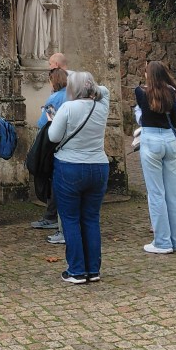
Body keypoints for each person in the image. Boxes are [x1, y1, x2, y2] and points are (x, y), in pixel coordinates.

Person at [48, 70, 110, 284]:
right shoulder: (101, 106)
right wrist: (87, 82)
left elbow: (53, 136)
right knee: (91, 218)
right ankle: (93, 269)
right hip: (98, 165)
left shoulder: (68, 107)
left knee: (71, 219)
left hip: (70, 166)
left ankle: (76, 270)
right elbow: (105, 90)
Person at [135, 61, 176, 254]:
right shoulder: (171, 92)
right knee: (173, 193)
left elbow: (142, 113)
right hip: (169, 139)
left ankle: (162, 241)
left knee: (156, 193)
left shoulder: (141, 92)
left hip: (151, 138)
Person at [31, 52, 68, 240]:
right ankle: (53, 216)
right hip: (69, 143)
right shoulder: (73, 95)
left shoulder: (54, 99)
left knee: (54, 180)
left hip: (54, 143)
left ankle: (54, 219)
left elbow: (43, 122)